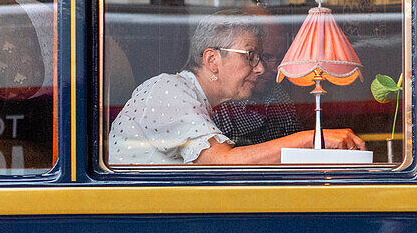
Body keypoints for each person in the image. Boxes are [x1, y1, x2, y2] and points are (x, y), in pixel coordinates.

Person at [108, 10, 365, 165]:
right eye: (250, 55)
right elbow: (222, 162)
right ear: (212, 60)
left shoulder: (190, 97)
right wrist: (312, 138)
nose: (261, 68)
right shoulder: (167, 90)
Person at [212, 8, 302, 146]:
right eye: (265, 57)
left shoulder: (279, 96)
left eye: (280, 59)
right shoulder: (217, 102)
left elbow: (296, 157)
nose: (274, 69)